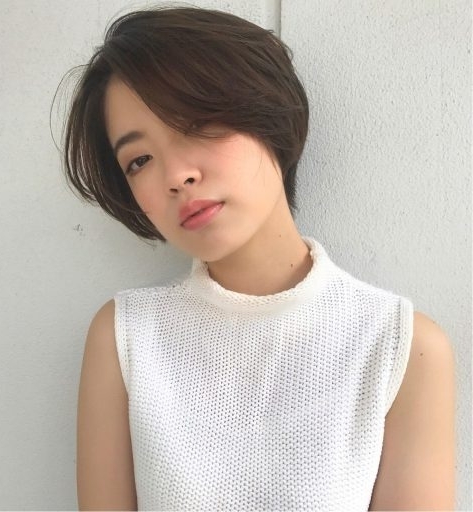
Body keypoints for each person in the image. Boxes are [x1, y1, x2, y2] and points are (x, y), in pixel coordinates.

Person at [62, 6, 455, 511]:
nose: (176, 175)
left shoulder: (398, 345)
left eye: (196, 125)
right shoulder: (126, 337)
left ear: (267, 114)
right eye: (139, 160)